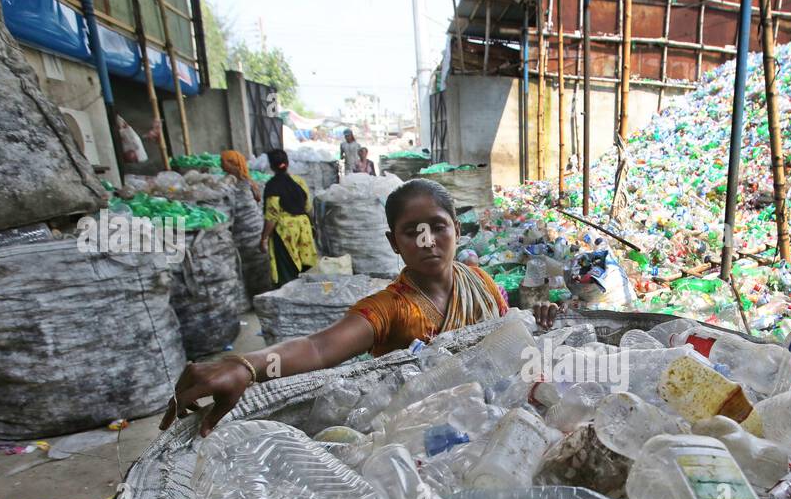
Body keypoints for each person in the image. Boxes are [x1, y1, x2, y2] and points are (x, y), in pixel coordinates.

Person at [162, 178, 560, 436]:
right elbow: (319, 348)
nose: (427, 241)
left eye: (438, 226)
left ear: (457, 228)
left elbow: (504, 342)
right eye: (411, 232)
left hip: (501, 420)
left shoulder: (481, 282)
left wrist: (537, 321)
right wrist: (245, 366)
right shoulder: (391, 307)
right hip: (423, 437)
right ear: (393, 242)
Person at [259, 148, 316, 286]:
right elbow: (308, 207)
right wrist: (313, 226)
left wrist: (264, 238)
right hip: (304, 226)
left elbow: (272, 216)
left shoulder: (272, 185)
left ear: (271, 166)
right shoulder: (299, 181)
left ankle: (290, 296)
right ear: (287, 163)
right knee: (305, 264)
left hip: (286, 232)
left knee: (288, 269)